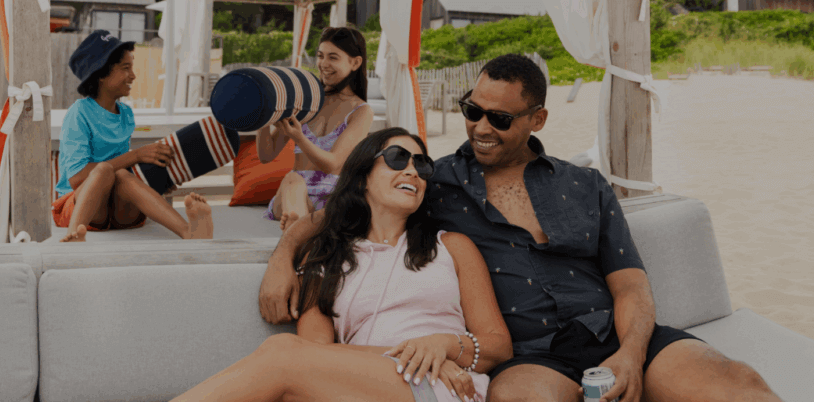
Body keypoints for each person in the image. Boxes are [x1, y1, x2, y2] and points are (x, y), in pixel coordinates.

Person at [257, 54, 784, 402]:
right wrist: (283, 258)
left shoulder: (587, 185)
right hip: (528, 356)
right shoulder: (436, 182)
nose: (481, 127)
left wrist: (630, 353)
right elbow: (342, 209)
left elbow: (629, 285)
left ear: (537, 119)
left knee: (738, 385)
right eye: (472, 111)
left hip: (609, 334)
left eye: (500, 119)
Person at [171, 128, 512, 402]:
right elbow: (316, 356)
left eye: (422, 165)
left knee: (282, 352)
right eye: (397, 158)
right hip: (363, 387)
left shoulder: (451, 247)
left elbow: (498, 345)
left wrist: (443, 347)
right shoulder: (327, 256)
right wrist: (416, 359)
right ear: (363, 177)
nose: (412, 170)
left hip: (443, 389)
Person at [53, 30, 212, 242]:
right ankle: (73, 236)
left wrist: (157, 179)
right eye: (125, 68)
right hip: (81, 209)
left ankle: (188, 232)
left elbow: (123, 170)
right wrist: (136, 155)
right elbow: (77, 178)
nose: (133, 76)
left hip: (118, 212)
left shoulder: (125, 114)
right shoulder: (79, 113)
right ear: (101, 74)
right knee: (103, 171)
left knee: (120, 175)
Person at [257, 27, 374, 231]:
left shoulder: (361, 112)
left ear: (355, 62)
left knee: (304, 197)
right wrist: (263, 116)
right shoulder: (305, 99)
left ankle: (298, 230)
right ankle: (300, 231)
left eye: (333, 57)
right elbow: (267, 155)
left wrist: (299, 138)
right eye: (320, 56)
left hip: (332, 200)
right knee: (293, 178)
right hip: (291, 195)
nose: (323, 64)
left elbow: (334, 165)